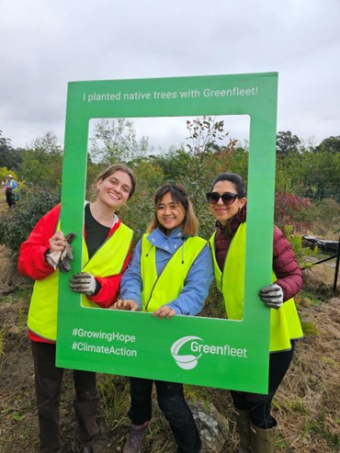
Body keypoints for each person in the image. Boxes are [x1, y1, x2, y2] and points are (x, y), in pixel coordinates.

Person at [18, 163, 137, 453]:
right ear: (98, 182)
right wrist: (49, 255)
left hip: (89, 326)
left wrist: (96, 287)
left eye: (125, 188)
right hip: (49, 321)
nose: (117, 189)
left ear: (128, 199)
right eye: (113, 181)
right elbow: (25, 258)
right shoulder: (63, 212)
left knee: (88, 393)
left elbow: (116, 283)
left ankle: (86, 442)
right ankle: (50, 446)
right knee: (47, 394)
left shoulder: (126, 236)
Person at [206, 173, 303, 453]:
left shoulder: (262, 230)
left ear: (242, 200)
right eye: (214, 196)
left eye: (228, 196)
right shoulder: (215, 238)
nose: (220, 202)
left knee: (259, 403)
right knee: (239, 398)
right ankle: (245, 447)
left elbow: (294, 274)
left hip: (275, 334)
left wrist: (281, 290)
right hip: (239, 334)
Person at [113, 183, 214, 453]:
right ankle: (138, 430)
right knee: (138, 389)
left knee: (171, 399)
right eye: (161, 207)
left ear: (185, 209)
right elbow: (133, 275)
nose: (167, 212)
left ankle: (191, 447)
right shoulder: (145, 242)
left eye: (173, 206)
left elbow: (197, 289)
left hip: (171, 330)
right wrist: (131, 298)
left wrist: (177, 307)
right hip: (141, 328)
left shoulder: (198, 247)